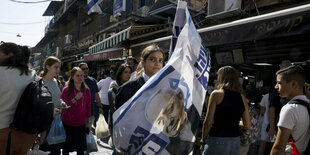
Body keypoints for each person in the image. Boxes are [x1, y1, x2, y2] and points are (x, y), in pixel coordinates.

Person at [201, 66, 251, 155]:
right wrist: (233, 122)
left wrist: (203, 140)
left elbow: (208, 121)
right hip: (235, 142)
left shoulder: (216, 94)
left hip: (217, 139)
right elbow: (247, 125)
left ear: (221, 78)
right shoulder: (242, 97)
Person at [0, 42, 37, 155]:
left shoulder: (1, 73)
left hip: (3, 133)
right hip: (27, 135)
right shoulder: (33, 76)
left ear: (9, 55)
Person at [270, 65, 310, 155]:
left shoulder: (290, 109)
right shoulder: (308, 103)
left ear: (293, 84)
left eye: (279, 83)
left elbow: (278, 148)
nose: (276, 87)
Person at [115, 44, 164, 110]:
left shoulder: (166, 87)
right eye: (152, 59)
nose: (157, 63)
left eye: (160, 60)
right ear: (143, 62)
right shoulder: (126, 89)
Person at [61, 67, 91, 155]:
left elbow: (88, 106)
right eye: (77, 75)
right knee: (66, 148)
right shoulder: (66, 90)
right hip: (67, 123)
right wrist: (75, 98)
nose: (80, 77)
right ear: (72, 77)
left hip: (81, 123)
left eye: (82, 75)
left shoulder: (86, 90)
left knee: (80, 149)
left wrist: (89, 121)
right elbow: (63, 106)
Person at [38, 56, 64, 154]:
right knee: (44, 150)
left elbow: (57, 98)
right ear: (48, 67)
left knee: (56, 151)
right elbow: (37, 103)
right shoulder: (39, 82)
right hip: (44, 124)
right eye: (56, 67)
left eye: (59, 67)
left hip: (56, 121)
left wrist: (61, 102)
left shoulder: (56, 82)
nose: (58, 70)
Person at [79, 62, 102, 126]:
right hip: (79, 112)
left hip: (91, 111)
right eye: (83, 69)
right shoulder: (77, 80)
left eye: (87, 68)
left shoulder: (93, 81)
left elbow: (96, 95)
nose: (86, 70)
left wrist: (100, 107)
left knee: (88, 131)